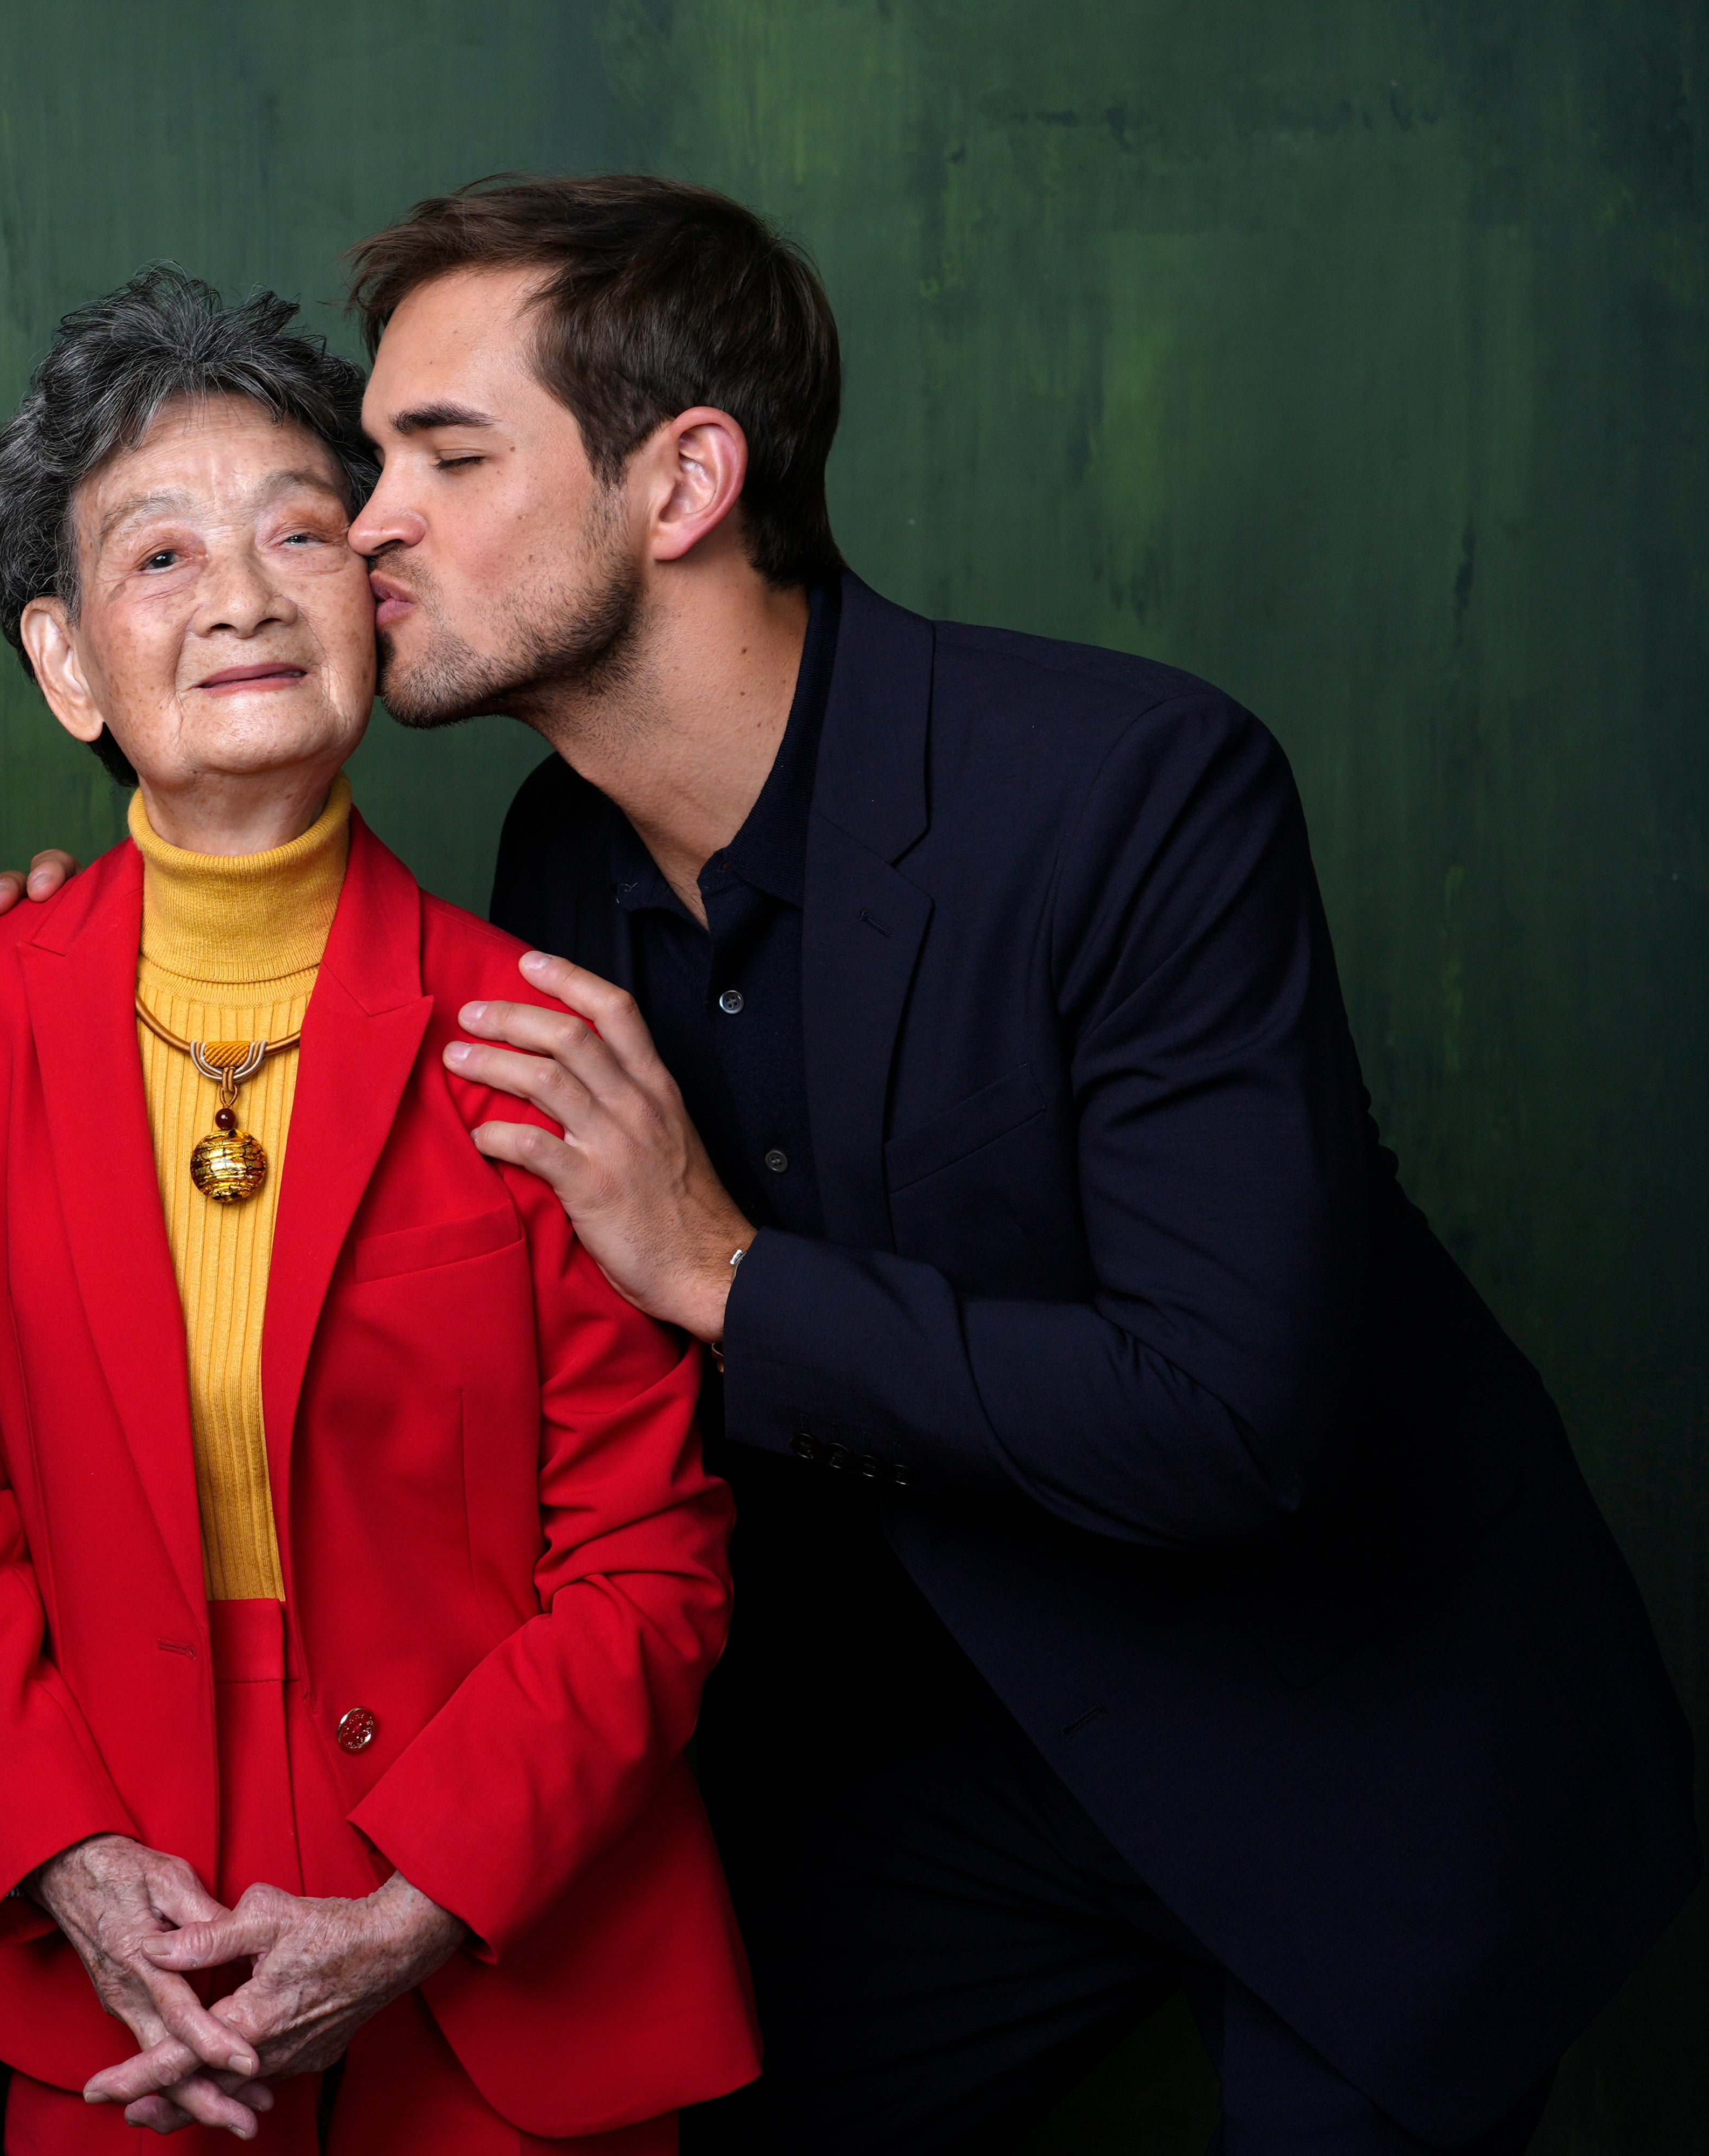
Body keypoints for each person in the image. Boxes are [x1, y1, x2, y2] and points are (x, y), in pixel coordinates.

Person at [323, 176, 1695, 2151]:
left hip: (1365, 1746)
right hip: (968, 1756)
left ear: (685, 481)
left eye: (443, 455)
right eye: (373, 460)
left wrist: (726, 1278)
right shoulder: (561, 857)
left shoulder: (1138, 792)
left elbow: (1231, 1419)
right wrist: (56, 944)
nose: (374, 520)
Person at [0, 266, 758, 2156]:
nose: (242, 596)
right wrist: (67, 1860)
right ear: (63, 664)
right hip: (129, 1973)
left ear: (372, 597)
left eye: (302, 529)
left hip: (511, 1956)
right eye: (158, 557)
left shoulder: (548, 1041)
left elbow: (651, 1564)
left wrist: (414, 1905)